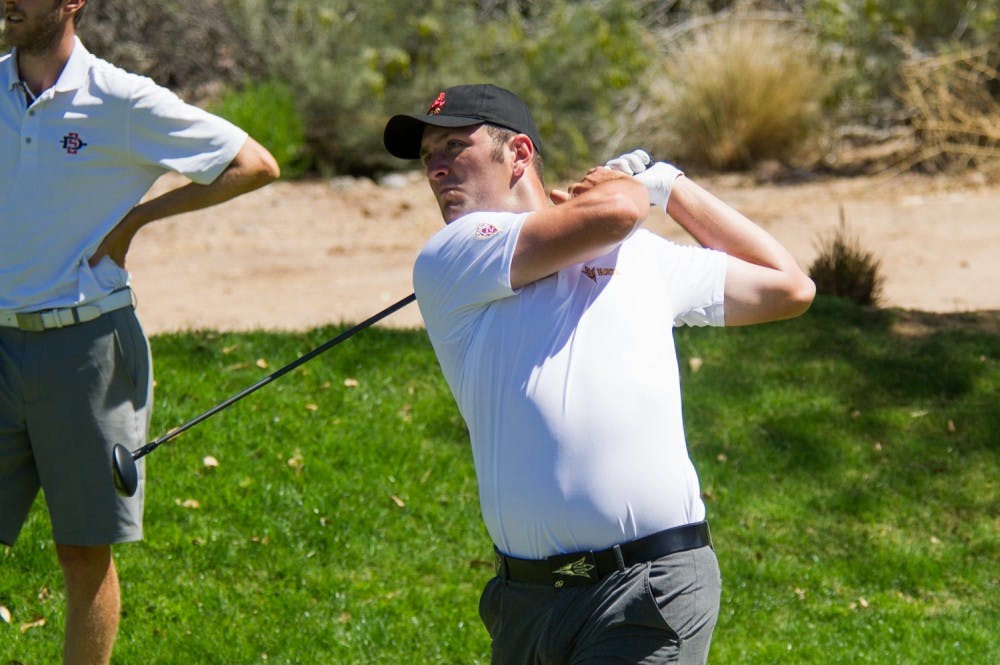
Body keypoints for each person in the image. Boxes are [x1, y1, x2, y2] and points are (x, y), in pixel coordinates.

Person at [383, 83, 815, 664]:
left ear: (518, 154)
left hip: (649, 590)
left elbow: (789, 286)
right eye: (427, 156)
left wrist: (670, 186)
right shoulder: (452, 255)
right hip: (526, 602)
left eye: (454, 146)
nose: (435, 168)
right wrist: (630, 193)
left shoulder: (641, 254)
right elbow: (612, 212)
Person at [0, 1, 279, 663]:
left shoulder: (120, 100)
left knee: (82, 550)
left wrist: (134, 223)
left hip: (86, 349)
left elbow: (254, 163)